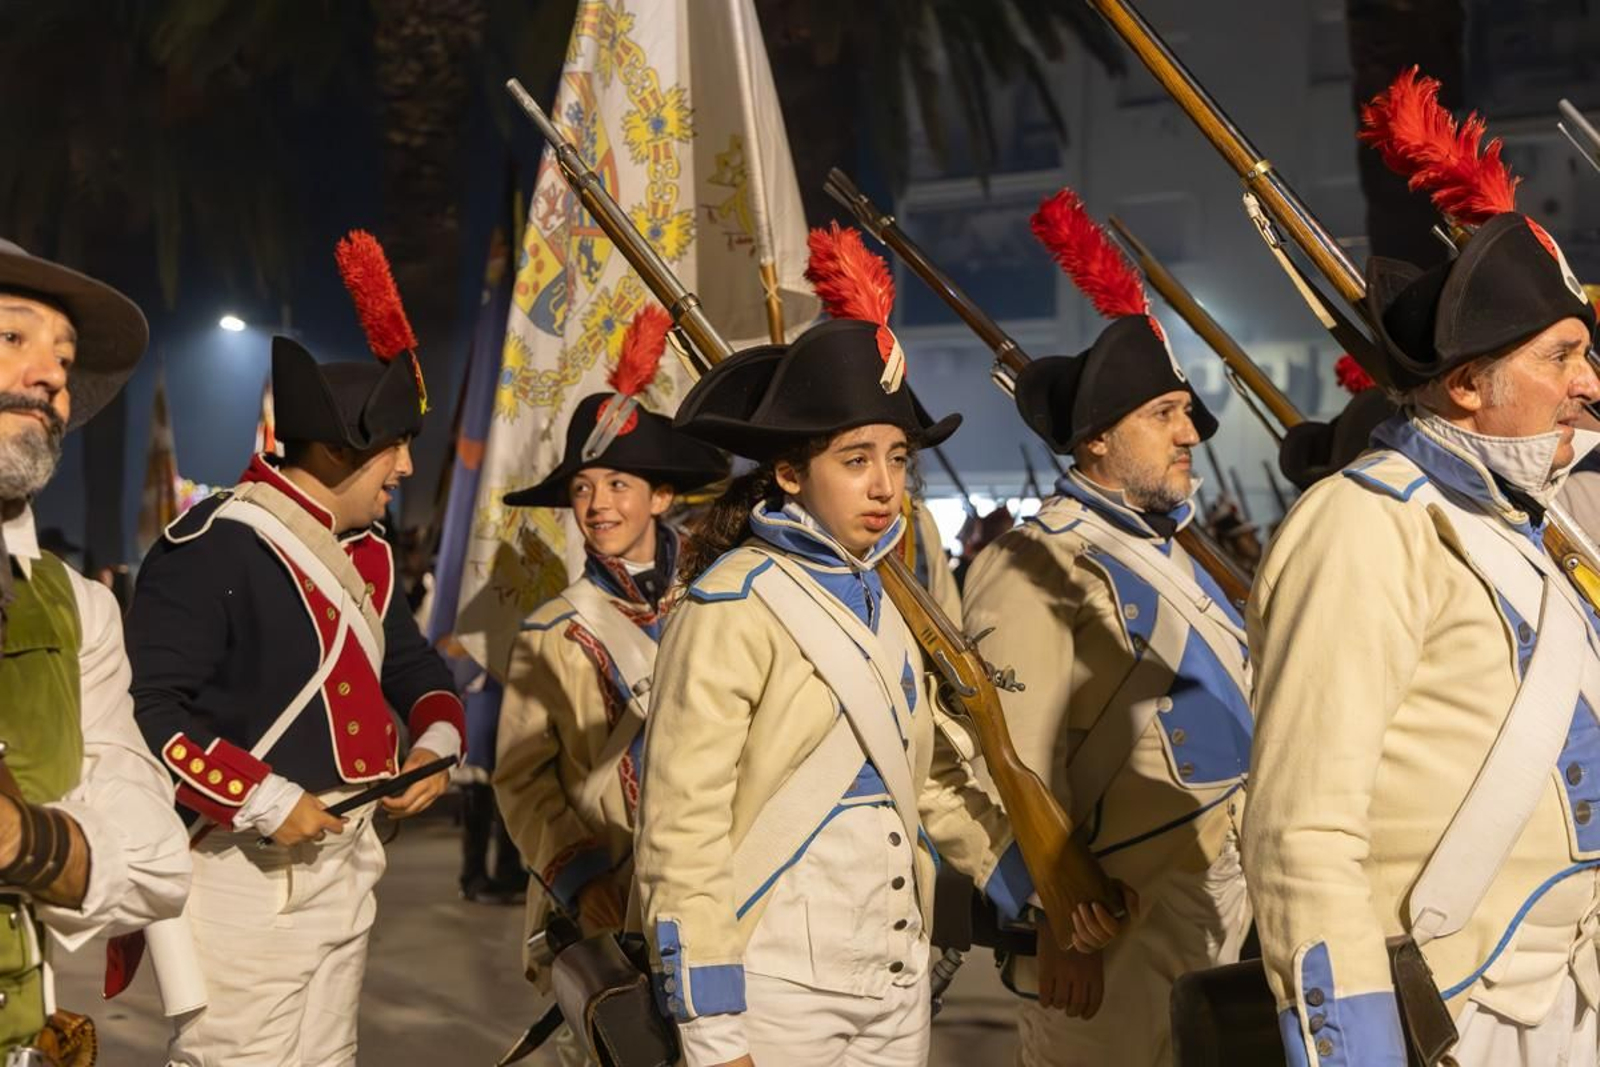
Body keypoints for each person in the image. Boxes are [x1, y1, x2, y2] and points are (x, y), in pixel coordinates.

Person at [633, 225, 1045, 1067]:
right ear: (790, 471)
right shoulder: (730, 604)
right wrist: (714, 1031)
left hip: (896, 980)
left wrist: (1032, 886)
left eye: (896, 457)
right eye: (856, 459)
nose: (886, 485)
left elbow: (925, 775)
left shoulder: (890, 596)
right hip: (776, 989)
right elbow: (683, 830)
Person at [1245, 200, 1600, 1062]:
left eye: (1584, 355)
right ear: (1470, 382)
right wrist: (1353, 1046)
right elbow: (1304, 832)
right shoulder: (1364, 524)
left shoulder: (1533, 529)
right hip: (1458, 1008)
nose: (1589, 382)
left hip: (1570, 994)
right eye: (1560, 357)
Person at [124, 232, 466, 1066]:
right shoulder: (213, 544)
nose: (406, 469)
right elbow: (151, 715)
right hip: (243, 874)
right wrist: (266, 798)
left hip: (348, 863)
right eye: (393, 449)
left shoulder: (373, 555)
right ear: (342, 448)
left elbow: (415, 669)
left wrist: (436, 745)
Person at [961, 189, 1252, 1066]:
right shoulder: (1034, 562)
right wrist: (1049, 914)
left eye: (1185, 418)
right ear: (1094, 442)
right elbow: (999, 757)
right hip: (1111, 936)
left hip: (1210, 913)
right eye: (1162, 416)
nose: (1187, 435)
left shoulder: (1169, 553)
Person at [492, 307, 727, 1059]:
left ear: (662, 497)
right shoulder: (553, 629)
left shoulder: (723, 608)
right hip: (606, 912)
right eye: (585, 488)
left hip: (718, 899)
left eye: (619, 483)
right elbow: (521, 781)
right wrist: (582, 875)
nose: (597, 505)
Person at [0, 239, 191, 1057]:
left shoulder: (80, 608)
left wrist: (24, 841)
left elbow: (154, 850)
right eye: (14, 338)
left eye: (64, 359)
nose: (50, 376)